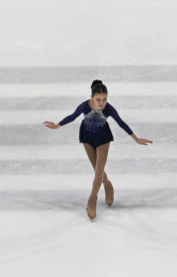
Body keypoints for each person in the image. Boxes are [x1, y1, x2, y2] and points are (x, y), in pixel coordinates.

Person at [43, 79, 152, 219]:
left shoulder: (109, 109)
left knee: (99, 170)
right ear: (92, 98)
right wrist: (57, 125)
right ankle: (107, 185)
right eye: (98, 99)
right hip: (87, 137)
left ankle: (92, 199)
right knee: (96, 168)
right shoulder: (85, 106)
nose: (101, 103)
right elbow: (72, 117)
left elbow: (121, 123)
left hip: (103, 138)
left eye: (104, 99)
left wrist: (136, 138)